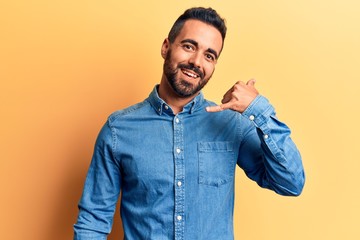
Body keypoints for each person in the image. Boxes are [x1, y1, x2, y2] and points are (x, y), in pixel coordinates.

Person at [73, 7, 305, 240]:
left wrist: (258, 109)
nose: (196, 62)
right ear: (166, 47)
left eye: (209, 55)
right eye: (189, 46)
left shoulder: (231, 125)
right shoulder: (118, 130)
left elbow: (291, 183)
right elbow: (93, 221)